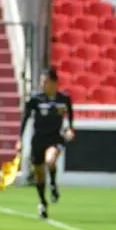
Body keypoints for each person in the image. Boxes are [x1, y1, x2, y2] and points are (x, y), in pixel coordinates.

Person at [15, 67, 74, 219]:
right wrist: (19, 140)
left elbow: (70, 118)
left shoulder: (64, 99)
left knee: (50, 160)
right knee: (39, 175)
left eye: (45, 82)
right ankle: (42, 202)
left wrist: (69, 129)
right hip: (38, 140)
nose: (42, 84)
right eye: (41, 82)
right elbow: (25, 119)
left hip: (55, 138)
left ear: (54, 83)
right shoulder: (35, 99)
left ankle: (53, 184)